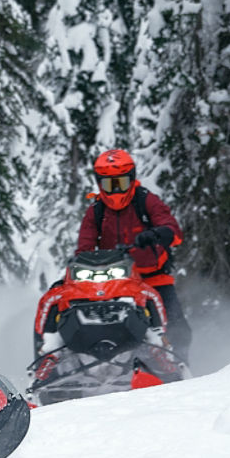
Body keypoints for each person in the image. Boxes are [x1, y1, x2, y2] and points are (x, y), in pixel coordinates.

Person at [76, 148, 192, 361]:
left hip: (153, 277)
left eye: (121, 183)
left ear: (132, 179)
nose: (116, 191)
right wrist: (81, 264)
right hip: (114, 281)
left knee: (176, 324)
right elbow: (84, 246)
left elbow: (172, 230)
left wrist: (156, 234)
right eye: (109, 185)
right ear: (99, 184)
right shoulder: (96, 210)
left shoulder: (146, 200)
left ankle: (181, 363)